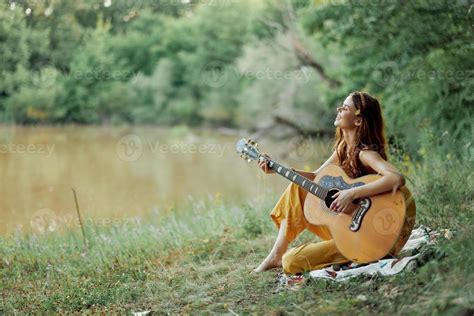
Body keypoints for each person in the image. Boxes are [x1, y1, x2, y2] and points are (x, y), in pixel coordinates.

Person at [253, 91, 407, 274]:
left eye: (345, 108)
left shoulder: (366, 153)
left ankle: (352, 254)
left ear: (358, 121)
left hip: (369, 236)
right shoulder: (343, 149)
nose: (339, 109)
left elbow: (396, 177)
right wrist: (276, 168)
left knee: (291, 262)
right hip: (345, 225)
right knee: (297, 186)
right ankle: (275, 255)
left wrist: (351, 193)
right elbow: (316, 177)